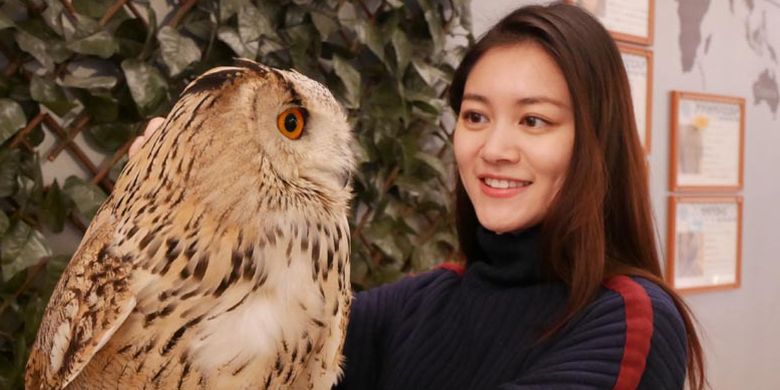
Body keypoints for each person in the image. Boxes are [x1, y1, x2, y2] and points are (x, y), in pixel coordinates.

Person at [133, 4, 705, 389]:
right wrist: (187, 202)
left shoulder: (630, 319)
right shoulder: (426, 300)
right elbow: (248, 347)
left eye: (534, 121)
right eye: (476, 115)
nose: (494, 148)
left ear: (595, 142)